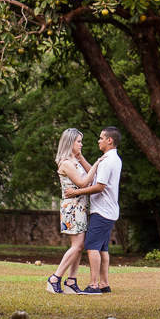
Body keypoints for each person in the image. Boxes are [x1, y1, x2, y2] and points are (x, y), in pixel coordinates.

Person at [64, 126, 122, 294]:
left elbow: (99, 186)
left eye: (101, 138)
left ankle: (94, 285)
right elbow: (95, 176)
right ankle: (104, 284)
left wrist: (76, 192)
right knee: (103, 248)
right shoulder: (112, 158)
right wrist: (81, 158)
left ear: (109, 140)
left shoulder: (107, 160)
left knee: (92, 247)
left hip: (102, 211)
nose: (99, 140)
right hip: (108, 211)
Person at [47, 128, 101, 294]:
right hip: (72, 208)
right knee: (77, 246)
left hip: (81, 207)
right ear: (70, 143)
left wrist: (84, 159)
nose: (81, 144)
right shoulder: (66, 163)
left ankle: (71, 281)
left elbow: (93, 174)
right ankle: (55, 278)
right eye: (78, 141)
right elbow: (84, 183)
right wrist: (98, 163)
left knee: (79, 246)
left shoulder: (74, 161)